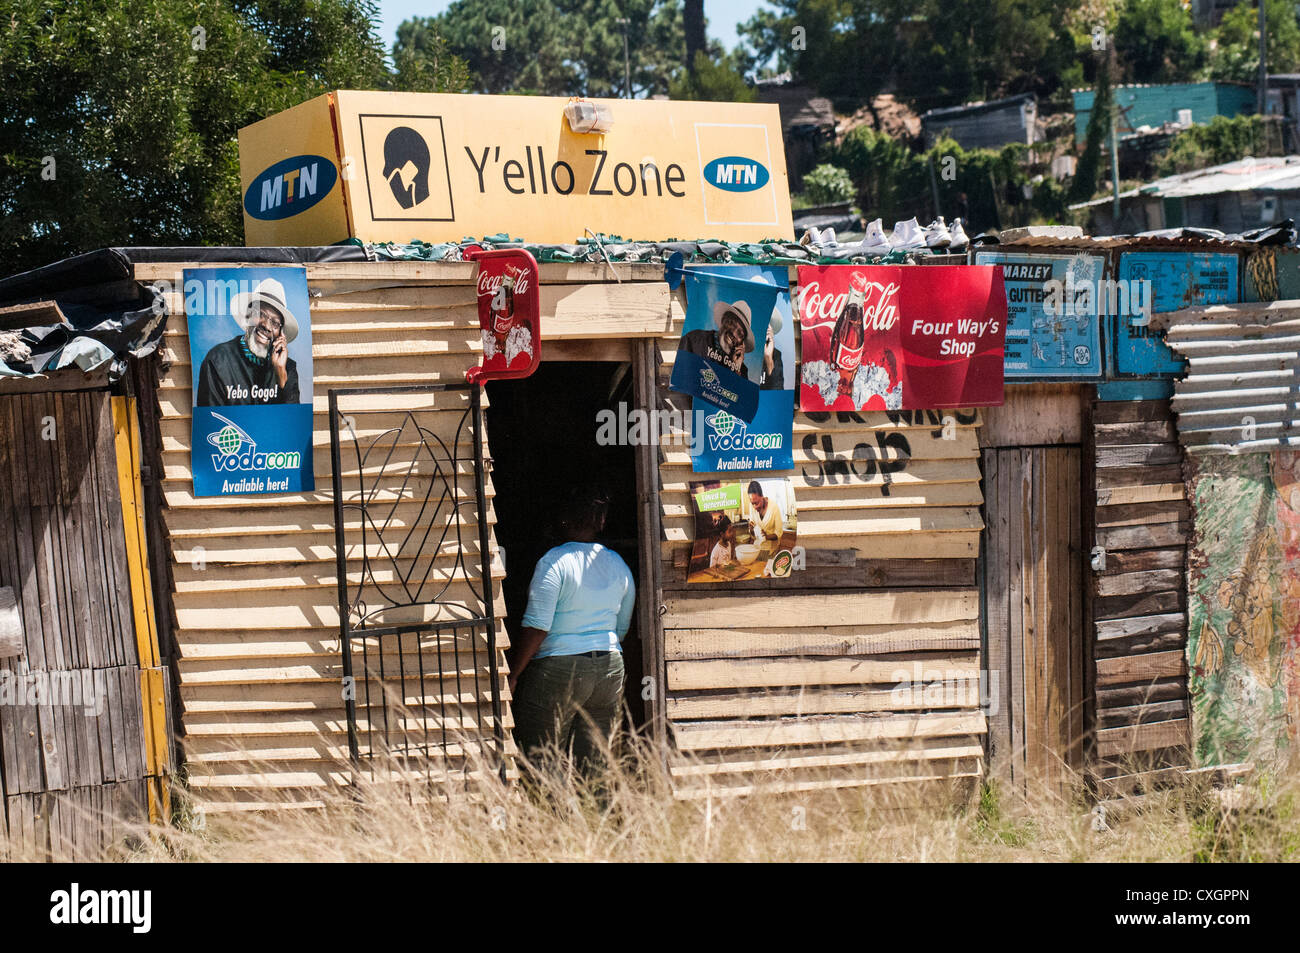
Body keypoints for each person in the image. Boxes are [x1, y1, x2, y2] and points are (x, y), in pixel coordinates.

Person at [509, 489, 635, 782]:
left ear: (562, 520)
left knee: (542, 758)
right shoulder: (618, 564)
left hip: (558, 669)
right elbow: (622, 626)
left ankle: (550, 824)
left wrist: (515, 673)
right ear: (601, 523)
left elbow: (538, 625)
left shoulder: (554, 562)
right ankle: (597, 824)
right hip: (609, 667)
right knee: (596, 763)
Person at [195, 277, 301, 406]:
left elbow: (292, 422)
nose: (267, 326)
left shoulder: (287, 368)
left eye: (275, 323)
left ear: (281, 333)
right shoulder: (218, 360)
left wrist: (281, 375)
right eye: (260, 314)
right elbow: (211, 420)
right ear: (247, 316)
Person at [679, 298, 755, 377]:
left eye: (740, 333)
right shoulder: (694, 340)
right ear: (723, 321)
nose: (734, 333)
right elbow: (679, 376)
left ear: (742, 343)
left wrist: (736, 370)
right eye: (731, 323)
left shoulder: (742, 370)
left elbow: (738, 389)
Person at [760, 309, 785, 390]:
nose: (767, 326)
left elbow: (778, 390)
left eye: (769, 322)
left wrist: (768, 358)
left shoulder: (776, 354)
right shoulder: (742, 348)